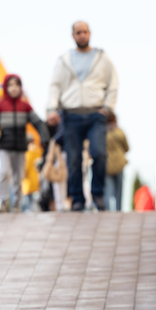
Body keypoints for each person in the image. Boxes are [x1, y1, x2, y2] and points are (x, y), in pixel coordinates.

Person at [46, 21, 119, 211]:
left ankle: (98, 195)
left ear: (90, 33)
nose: (82, 35)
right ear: (73, 35)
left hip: (96, 114)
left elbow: (113, 84)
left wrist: (107, 108)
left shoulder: (102, 58)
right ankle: (77, 199)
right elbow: (55, 85)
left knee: (99, 154)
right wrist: (51, 109)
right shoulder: (64, 60)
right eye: (78, 32)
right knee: (73, 159)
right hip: (71, 115)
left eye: (85, 32)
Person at [0, 74, 49, 213]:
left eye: (16, 85)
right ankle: (3, 201)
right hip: (4, 145)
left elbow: (38, 122)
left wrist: (43, 137)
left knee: (18, 177)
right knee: (3, 172)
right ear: (5, 87)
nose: (13, 88)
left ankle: (17, 203)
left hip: (21, 146)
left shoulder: (25, 106)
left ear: (20, 87)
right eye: (10, 85)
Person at [104, 112, 129, 211]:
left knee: (107, 191)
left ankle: (107, 211)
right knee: (119, 192)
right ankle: (119, 211)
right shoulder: (120, 132)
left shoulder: (102, 133)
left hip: (107, 165)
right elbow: (127, 148)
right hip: (119, 164)